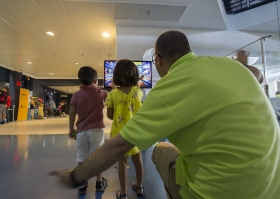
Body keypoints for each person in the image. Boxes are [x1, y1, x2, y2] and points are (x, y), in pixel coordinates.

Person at [49, 31, 280, 199]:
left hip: (218, 193)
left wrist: (73, 178)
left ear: (157, 59)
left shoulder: (168, 89)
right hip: (272, 188)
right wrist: (241, 64)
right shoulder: (229, 66)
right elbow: (257, 75)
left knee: (161, 150)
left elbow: (117, 147)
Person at [105, 60, 144, 199]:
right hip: (136, 133)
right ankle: (139, 187)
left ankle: (124, 193)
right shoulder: (138, 93)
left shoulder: (113, 94)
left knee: (122, 163)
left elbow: (109, 116)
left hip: (120, 135)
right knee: (138, 160)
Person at [68, 66, 108, 195]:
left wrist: (71, 129)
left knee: (82, 158)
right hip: (96, 130)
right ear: (95, 81)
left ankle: (82, 184)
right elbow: (109, 95)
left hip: (81, 132)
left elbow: (72, 113)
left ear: (80, 80)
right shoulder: (101, 93)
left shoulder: (76, 95)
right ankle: (99, 182)